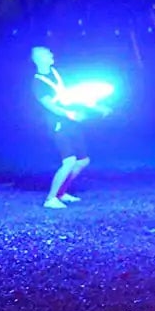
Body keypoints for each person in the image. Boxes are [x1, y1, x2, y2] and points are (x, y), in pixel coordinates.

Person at [32, 45, 94, 208]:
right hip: (57, 125)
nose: (51, 54)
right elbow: (49, 105)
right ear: (38, 59)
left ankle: (61, 192)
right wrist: (69, 114)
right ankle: (50, 199)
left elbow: (67, 95)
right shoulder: (38, 82)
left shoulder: (56, 73)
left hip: (70, 123)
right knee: (69, 161)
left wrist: (94, 106)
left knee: (82, 160)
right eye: (47, 53)